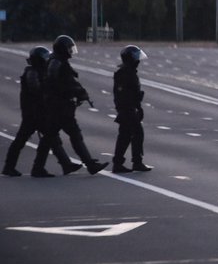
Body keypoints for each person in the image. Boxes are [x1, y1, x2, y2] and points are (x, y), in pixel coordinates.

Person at [3, 46, 80, 177]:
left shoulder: (38, 71)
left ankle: (64, 164)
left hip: (36, 112)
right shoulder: (32, 73)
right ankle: (36, 168)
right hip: (34, 114)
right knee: (37, 140)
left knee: (50, 139)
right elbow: (38, 91)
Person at [38, 35, 109, 175]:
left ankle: (40, 167)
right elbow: (58, 85)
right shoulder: (56, 63)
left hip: (59, 107)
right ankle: (89, 164)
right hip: (59, 107)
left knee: (50, 138)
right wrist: (75, 92)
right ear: (62, 49)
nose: (71, 51)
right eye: (69, 48)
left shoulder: (59, 62)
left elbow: (69, 80)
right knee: (73, 135)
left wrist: (80, 92)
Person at [112, 45, 152, 173]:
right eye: (135, 58)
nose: (138, 61)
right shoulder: (124, 73)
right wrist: (130, 108)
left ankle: (121, 162)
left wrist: (138, 106)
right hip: (127, 109)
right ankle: (134, 162)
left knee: (126, 135)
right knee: (134, 134)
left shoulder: (129, 72)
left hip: (130, 108)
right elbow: (123, 94)